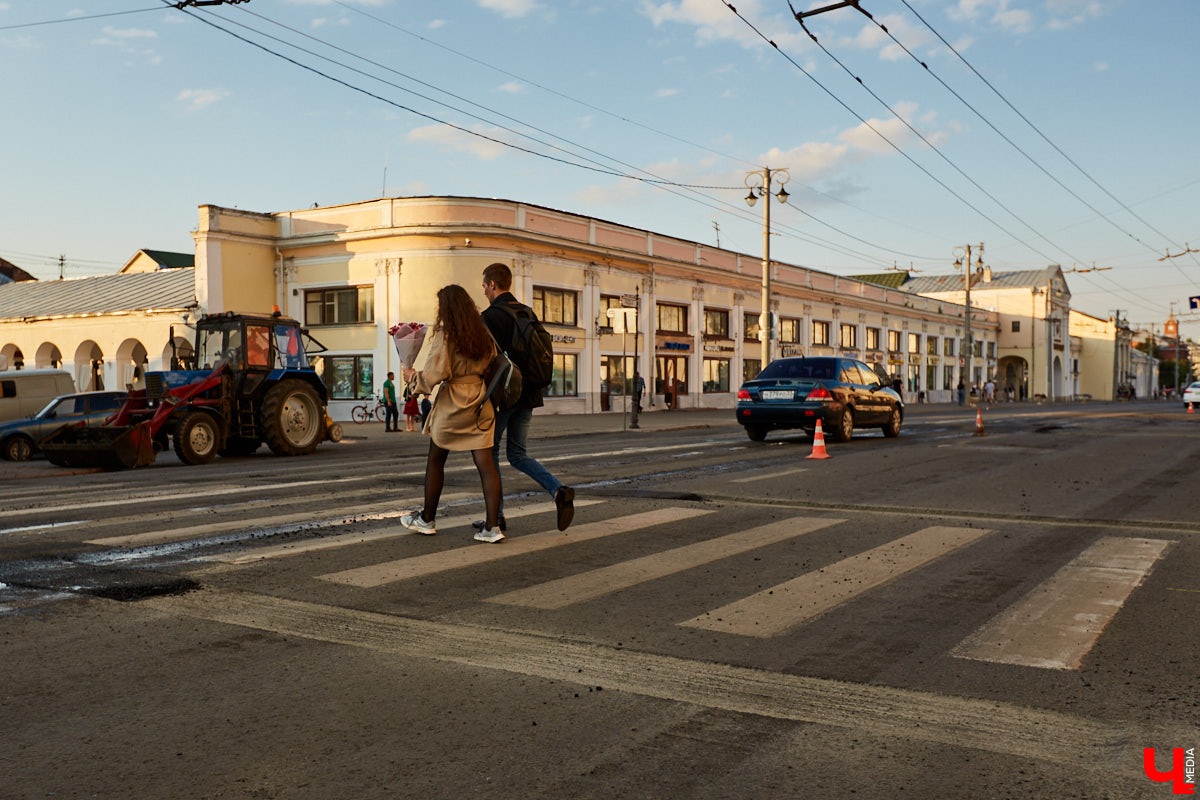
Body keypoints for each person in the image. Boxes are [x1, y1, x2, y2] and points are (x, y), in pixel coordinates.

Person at [400, 284, 505, 544]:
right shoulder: (483, 331)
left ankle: (427, 519)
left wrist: (412, 379)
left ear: (445, 308)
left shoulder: (447, 335)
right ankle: (492, 527)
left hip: (453, 403)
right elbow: (493, 362)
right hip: (480, 401)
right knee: (486, 465)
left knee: (436, 460)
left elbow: (436, 373)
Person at [477, 262, 575, 533]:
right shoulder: (526, 311)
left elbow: (484, 360)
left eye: (485, 286)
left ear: (493, 285)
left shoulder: (491, 316)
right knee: (518, 454)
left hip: (506, 396)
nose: (484, 291)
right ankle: (558, 491)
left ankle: (495, 517)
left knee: (489, 453)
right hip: (530, 394)